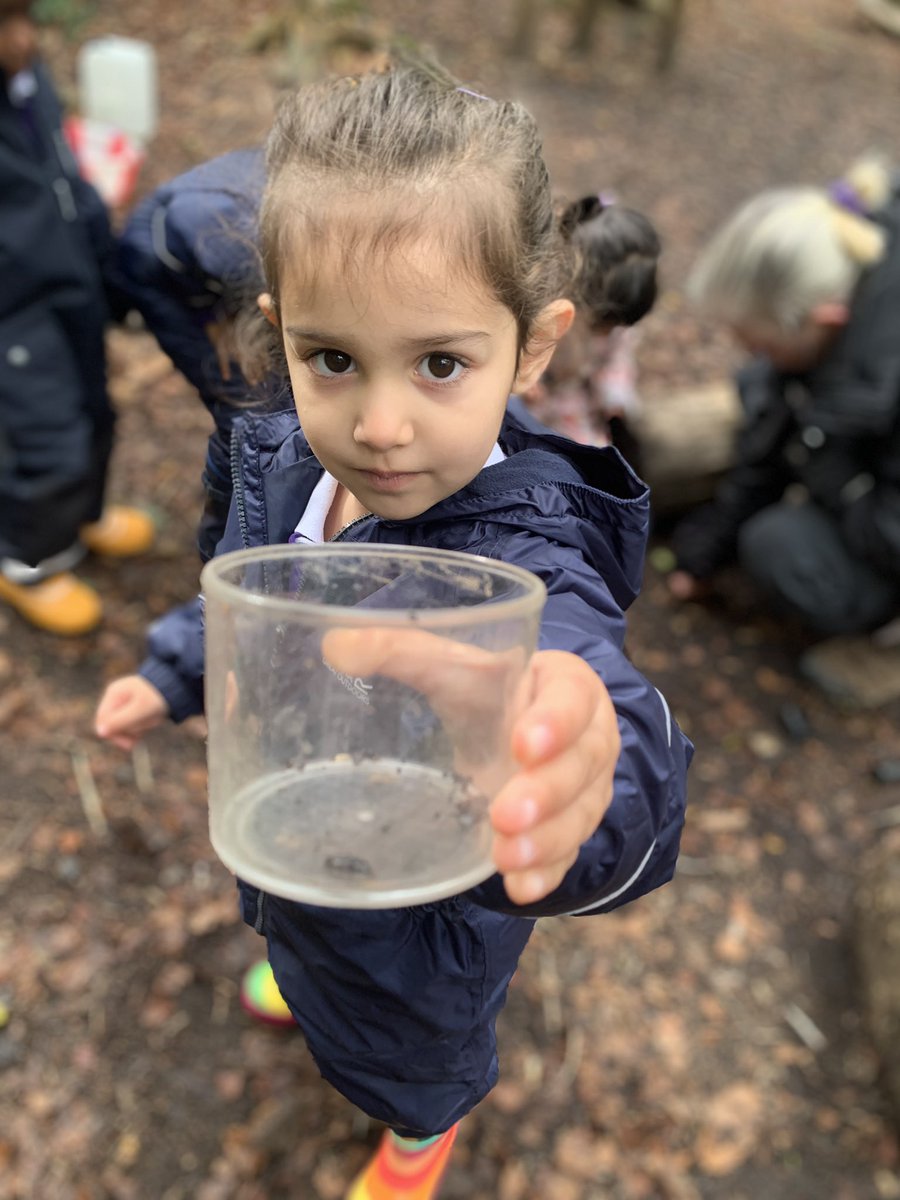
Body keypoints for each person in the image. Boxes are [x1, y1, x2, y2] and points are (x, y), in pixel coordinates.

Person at [95, 58, 691, 1200]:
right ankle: (296, 953)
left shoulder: (524, 555)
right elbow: (239, 596)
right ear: (279, 333)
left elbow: (597, 704)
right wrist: (175, 669)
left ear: (533, 346)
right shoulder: (275, 453)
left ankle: (422, 1138)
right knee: (299, 939)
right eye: (332, 358)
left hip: (428, 941)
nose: (379, 424)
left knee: (408, 1057)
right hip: (302, 841)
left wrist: (594, 776)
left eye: (439, 363)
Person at [667, 156, 900, 638]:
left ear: (827, 319)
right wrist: (706, 551)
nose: (757, 357)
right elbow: (776, 423)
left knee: (778, 545)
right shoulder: (847, 270)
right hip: (864, 472)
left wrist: (823, 464)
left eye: (764, 346)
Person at [0, 0, 155, 636]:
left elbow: (61, 176)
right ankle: (29, 558)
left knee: (95, 408)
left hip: (69, 282)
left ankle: (83, 513)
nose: (21, 39)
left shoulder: (28, 84)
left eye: (24, 20)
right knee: (47, 436)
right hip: (13, 313)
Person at [519, 194, 660, 469]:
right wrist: (525, 377)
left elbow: (615, 358)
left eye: (615, 326)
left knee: (599, 461)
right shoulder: (535, 305)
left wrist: (614, 395)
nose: (607, 334)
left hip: (575, 402)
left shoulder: (613, 320)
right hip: (534, 403)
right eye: (600, 324)